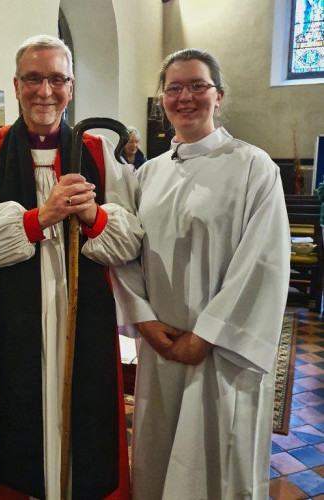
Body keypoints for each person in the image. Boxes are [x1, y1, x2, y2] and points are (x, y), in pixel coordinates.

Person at [0, 34, 143, 500]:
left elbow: (131, 236)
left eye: (57, 79)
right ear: (16, 86)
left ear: (71, 87)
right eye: (33, 79)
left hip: (84, 317)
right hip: (13, 321)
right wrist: (39, 219)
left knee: (86, 421)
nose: (45, 91)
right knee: (20, 419)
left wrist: (93, 218)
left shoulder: (95, 151)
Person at [111, 49, 290, 499]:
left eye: (197, 86)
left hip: (224, 352)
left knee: (218, 463)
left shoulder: (253, 166)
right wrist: (145, 321)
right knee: (158, 456)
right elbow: (126, 253)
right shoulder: (146, 174)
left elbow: (263, 261)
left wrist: (205, 335)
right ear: (162, 101)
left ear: (219, 95)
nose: (184, 97)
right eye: (173, 88)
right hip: (162, 345)